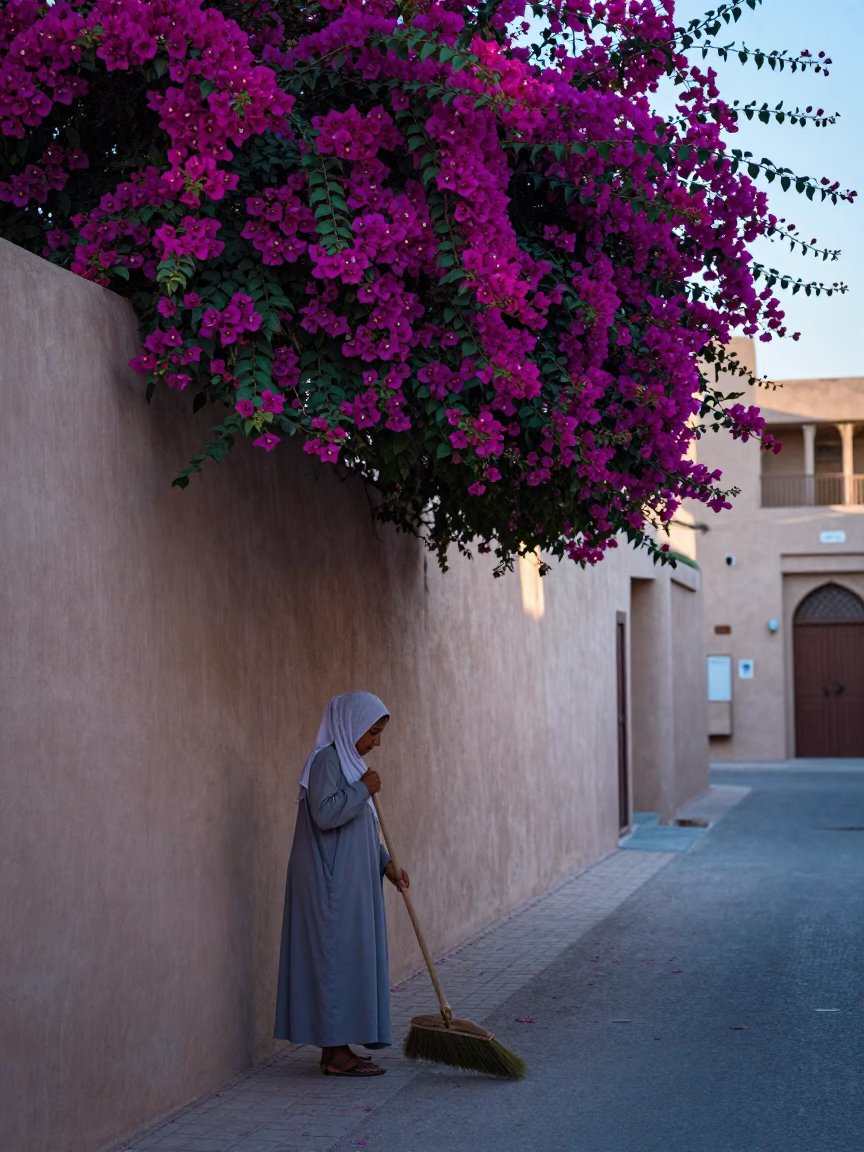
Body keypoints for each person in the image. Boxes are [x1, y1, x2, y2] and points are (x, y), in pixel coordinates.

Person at [273, 692, 409, 1076]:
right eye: (373, 732)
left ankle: (339, 1047)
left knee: (345, 959)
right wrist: (363, 788)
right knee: (334, 960)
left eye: (379, 733)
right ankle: (334, 1055)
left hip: (348, 882)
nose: (376, 742)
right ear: (350, 726)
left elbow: (361, 828)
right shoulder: (325, 762)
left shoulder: (351, 766)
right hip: (328, 885)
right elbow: (325, 813)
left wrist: (387, 865)